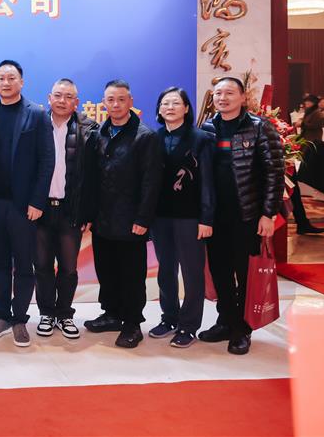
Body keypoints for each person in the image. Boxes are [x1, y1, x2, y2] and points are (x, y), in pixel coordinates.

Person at [200, 77, 283, 355]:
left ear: (243, 97)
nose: (222, 98)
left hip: (247, 215)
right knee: (220, 271)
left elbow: (274, 172)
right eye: (218, 93)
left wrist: (268, 213)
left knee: (244, 273)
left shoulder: (260, 127)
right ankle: (225, 320)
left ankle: (242, 329)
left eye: (229, 93)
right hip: (216, 215)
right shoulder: (208, 127)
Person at [0, 60, 55, 347]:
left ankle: (20, 318)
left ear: (21, 82)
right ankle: (1, 315)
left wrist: (37, 201)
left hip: (24, 205)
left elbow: (47, 160)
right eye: (1, 78)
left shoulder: (37, 114)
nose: (6, 82)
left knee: (23, 264)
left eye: (11, 78)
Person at [82, 79, 162, 349]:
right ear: (104, 103)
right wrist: (89, 214)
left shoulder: (145, 136)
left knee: (132, 274)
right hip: (102, 218)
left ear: (130, 101)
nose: (115, 104)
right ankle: (112, 314)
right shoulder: (99, 133)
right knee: (107, 270)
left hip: (130, 220)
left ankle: (132, 324)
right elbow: (91, 179)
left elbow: (151, 182)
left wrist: (143, 218)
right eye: (110, 100)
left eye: (121, 99)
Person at [149, 87, 214, 348]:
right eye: (165, 103)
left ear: (186, 108)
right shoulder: (153, 138)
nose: (170, 107)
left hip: (191, 217)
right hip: (160, 217)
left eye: (176, 103)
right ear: (159, 109)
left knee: (191, 272)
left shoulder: (201, 139)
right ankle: (169, 317)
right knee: (165, 270)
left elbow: (208, 181)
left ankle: (189, 325)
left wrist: (206, 218)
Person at [35, 78, 97, 340]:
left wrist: (88, 211)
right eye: (58, 95)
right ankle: (46, 314)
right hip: (40, 209)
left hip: (71, 210)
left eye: (68, 96)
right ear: (49, 98)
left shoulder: (89, 129)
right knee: (42, 265)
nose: (62, 101)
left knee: (69, 268)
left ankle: (64, 314)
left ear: (77, 102)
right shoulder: (36, 125)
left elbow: (93, 176)